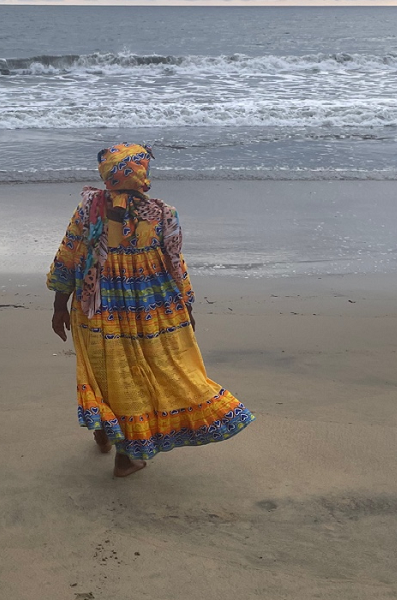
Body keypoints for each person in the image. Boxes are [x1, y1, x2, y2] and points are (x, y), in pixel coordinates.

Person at [47, 143, 253, 477]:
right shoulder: (163, 213)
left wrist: (59, 306)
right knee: (148, 373)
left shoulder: (88, 210)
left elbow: (68, 256)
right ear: (141, 174)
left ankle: (105, 431)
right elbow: (175, 264)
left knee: (105, 371)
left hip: (94, 306)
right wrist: (186, 305)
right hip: (151, 308)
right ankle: (127, 457)